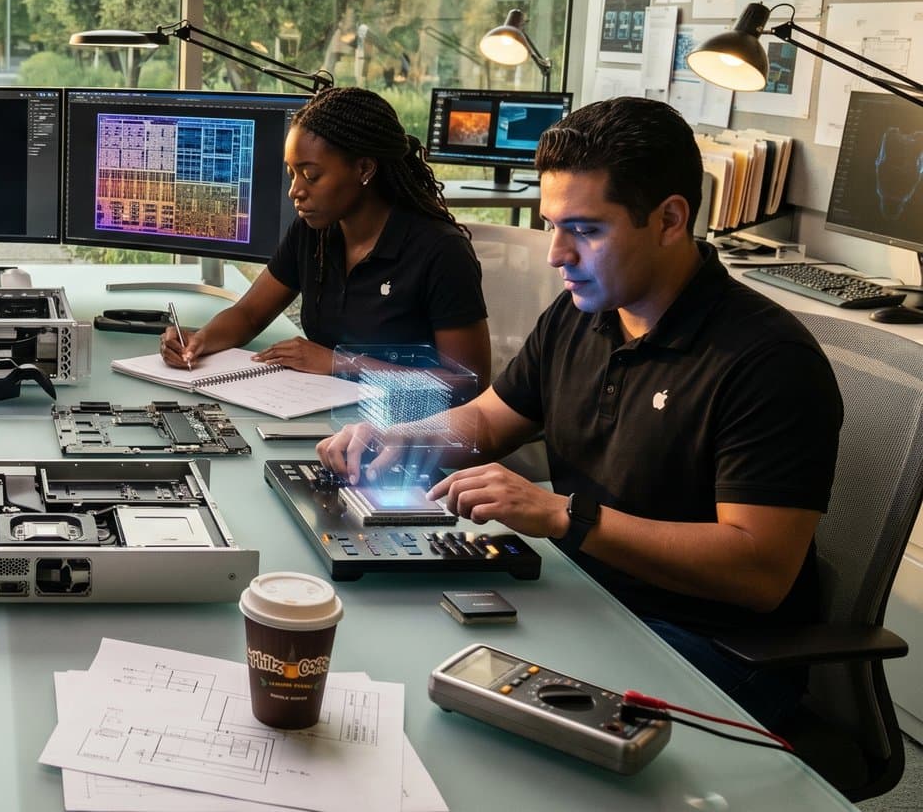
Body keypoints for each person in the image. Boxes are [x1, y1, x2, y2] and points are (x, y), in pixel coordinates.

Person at [317, 97, 841, 731]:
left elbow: (758, 571)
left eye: (586, 230)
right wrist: (398, 436)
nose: (555, 253)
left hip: (709, 652)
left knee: (443, 712)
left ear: (671, 219)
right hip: (583, 595)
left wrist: (565, 516)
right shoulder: (580, 314)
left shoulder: (768, 360)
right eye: (552, 224)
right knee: (387, 645)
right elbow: (488, 420)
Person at [162, 86, 491, 387]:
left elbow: (467, 381)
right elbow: (249, 315)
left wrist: (341, 363)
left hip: (408, 435)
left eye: (311, 175)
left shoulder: (440, 252)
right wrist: (199, 341)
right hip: (322, 413)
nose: (295, 191)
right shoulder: (313, 232)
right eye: (292, 174)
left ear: (364, 169)